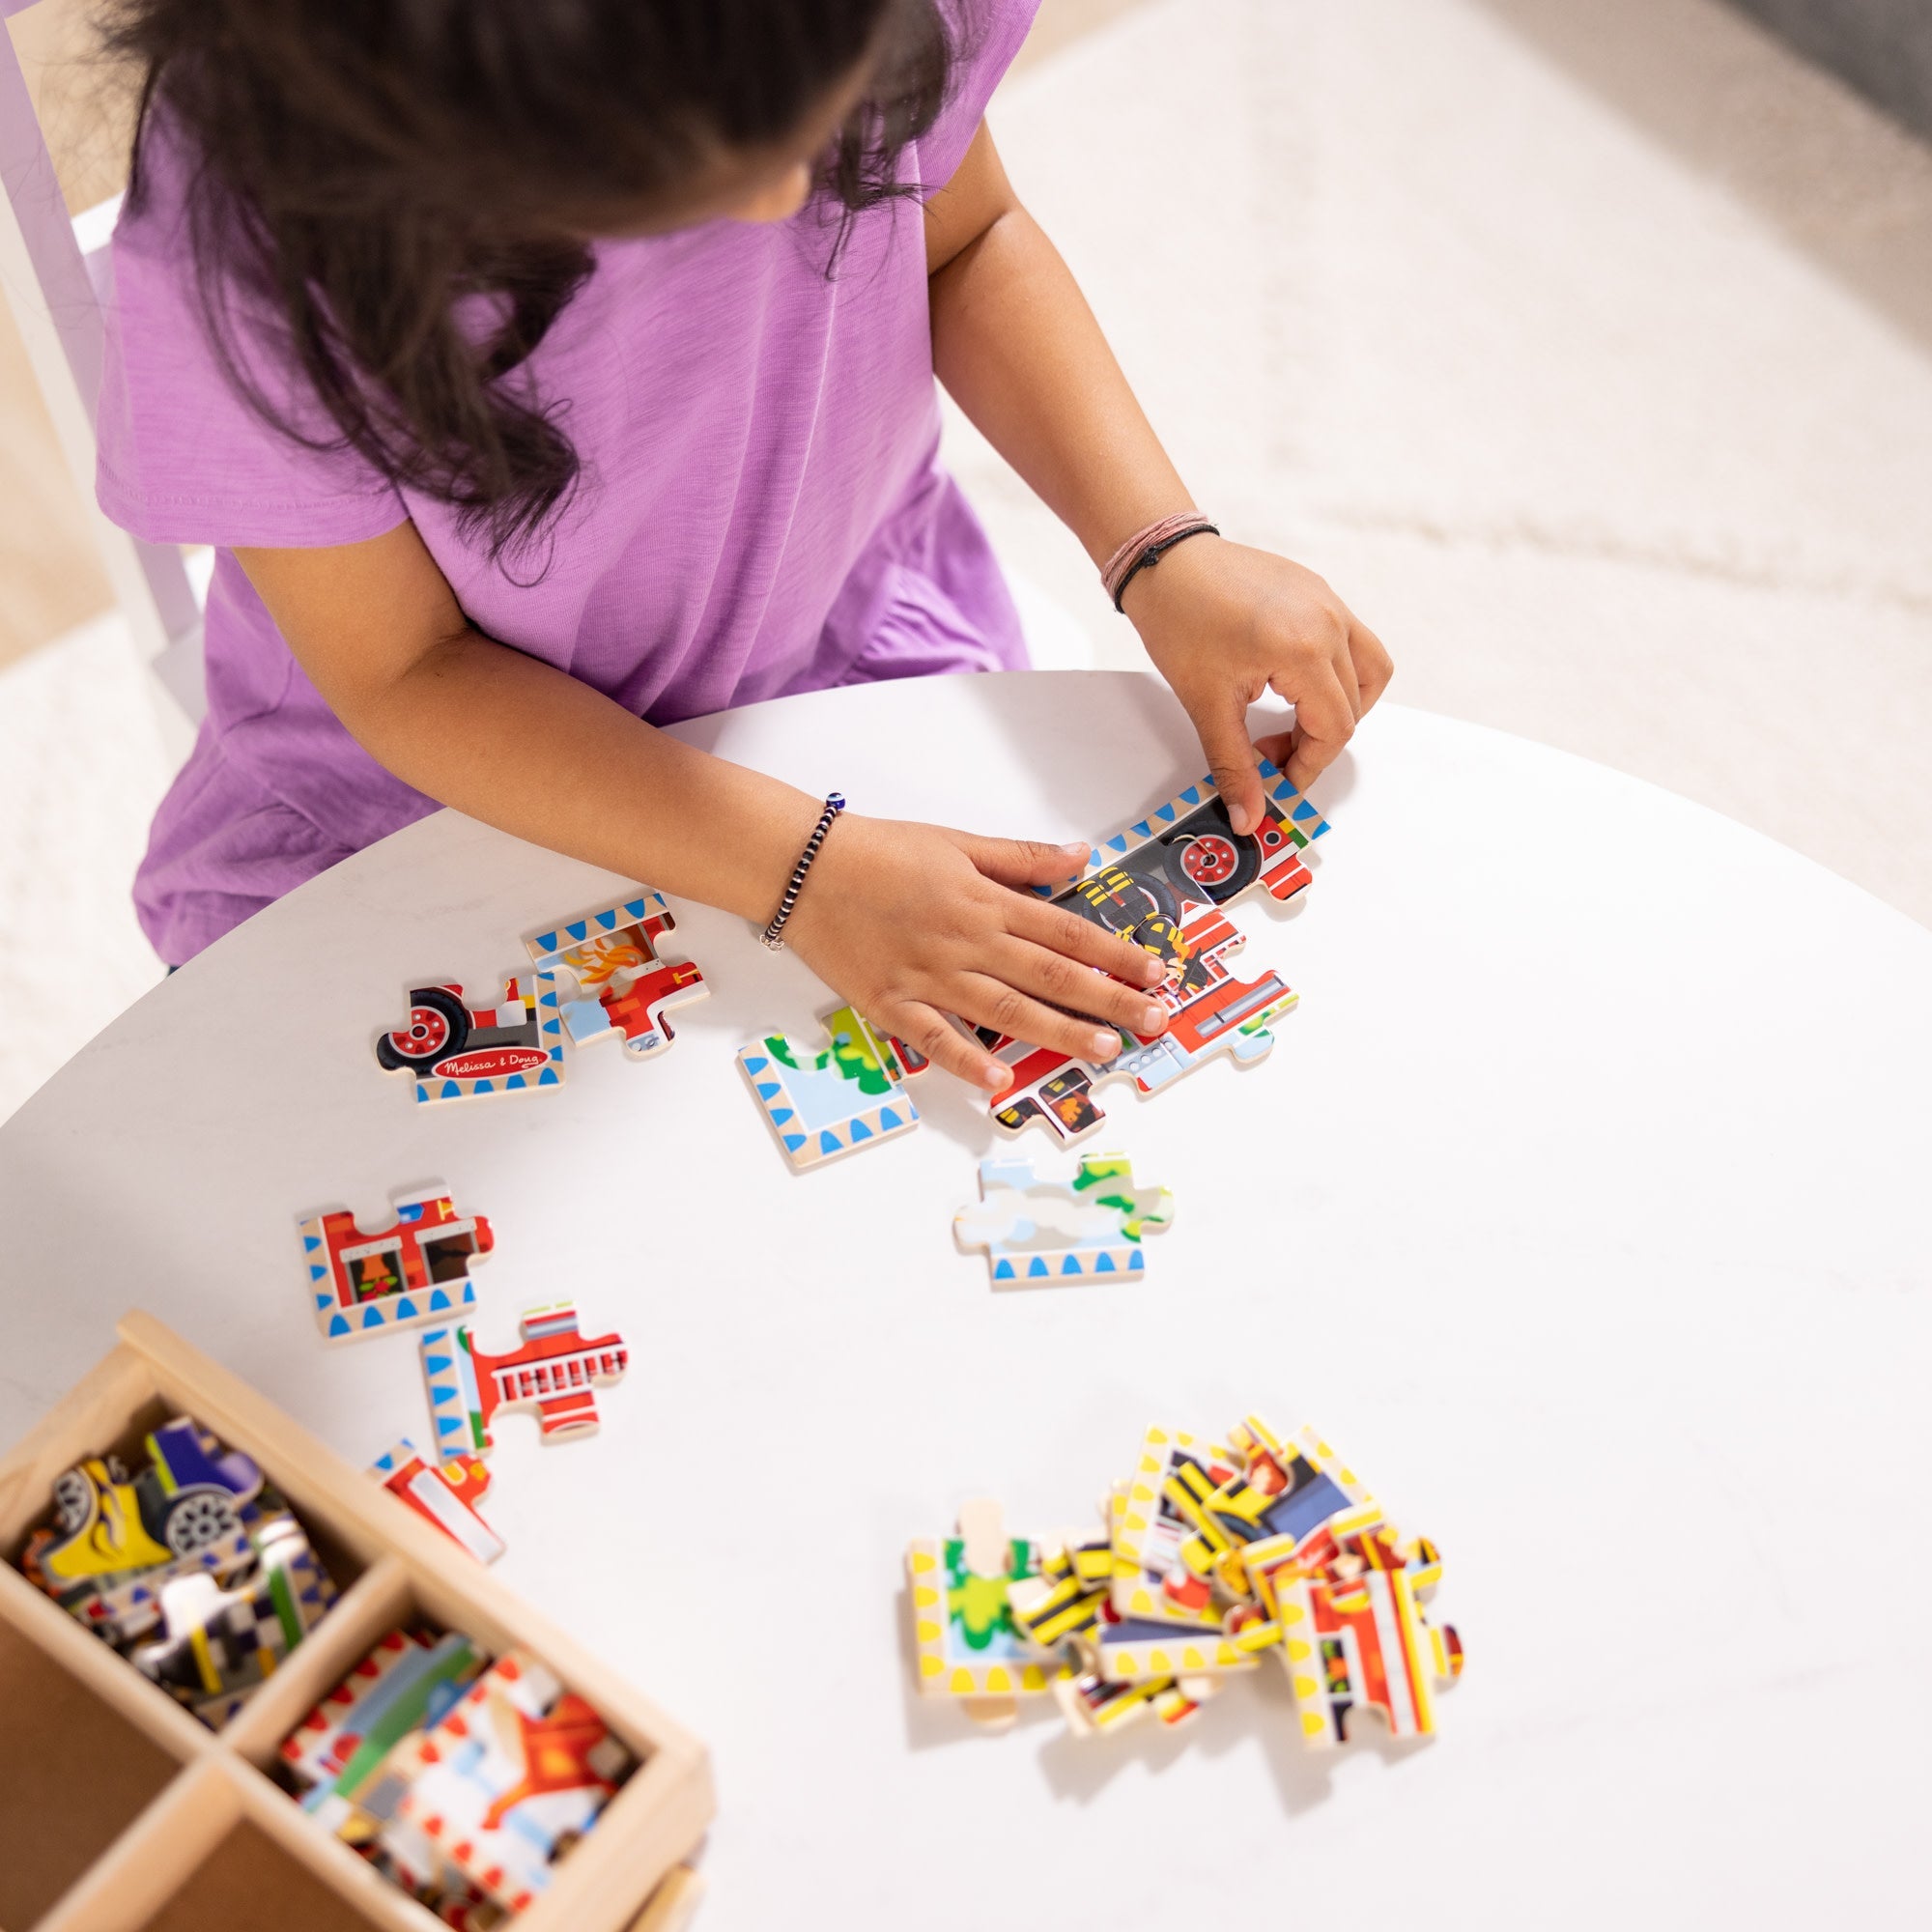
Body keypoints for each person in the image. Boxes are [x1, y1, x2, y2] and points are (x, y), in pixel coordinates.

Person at [98, 0, 1391, 1090]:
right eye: (719, 162)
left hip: (843, 658)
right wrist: (806, 873)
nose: (794, 191)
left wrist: (1157, 546)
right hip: (431, 794)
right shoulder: (260, 230)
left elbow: (967, 235)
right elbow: (404, 674)